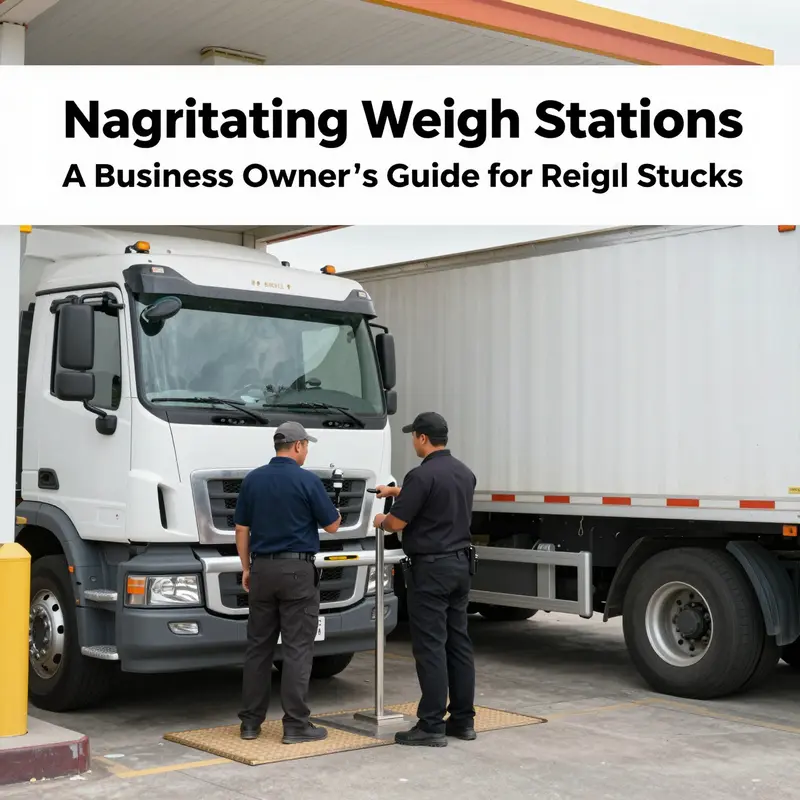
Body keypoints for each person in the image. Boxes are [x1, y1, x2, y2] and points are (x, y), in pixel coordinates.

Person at [373, 412, 478, 747]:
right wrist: (396, 490)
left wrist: (381, 519)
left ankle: (431, 724)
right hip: (461, 566)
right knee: (458, 643)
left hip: (431, 570)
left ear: (421, 438)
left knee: (430, 646)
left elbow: (397, 523)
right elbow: (437, 494)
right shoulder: (464, 473)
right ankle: (462, 721)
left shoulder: (421, 476)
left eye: (413, 437)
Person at [235, 421, 342, 743]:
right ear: (296, 446)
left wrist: (246, 568)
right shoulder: (307, 480)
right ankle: (296, 725)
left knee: (258, 649)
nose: (307, 450)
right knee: (296, 649)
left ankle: (250, 724)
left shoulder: (253, 480)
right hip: (297, 572)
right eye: (306, 445)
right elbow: (333, 525)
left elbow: (242, 529)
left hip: (262, 570)